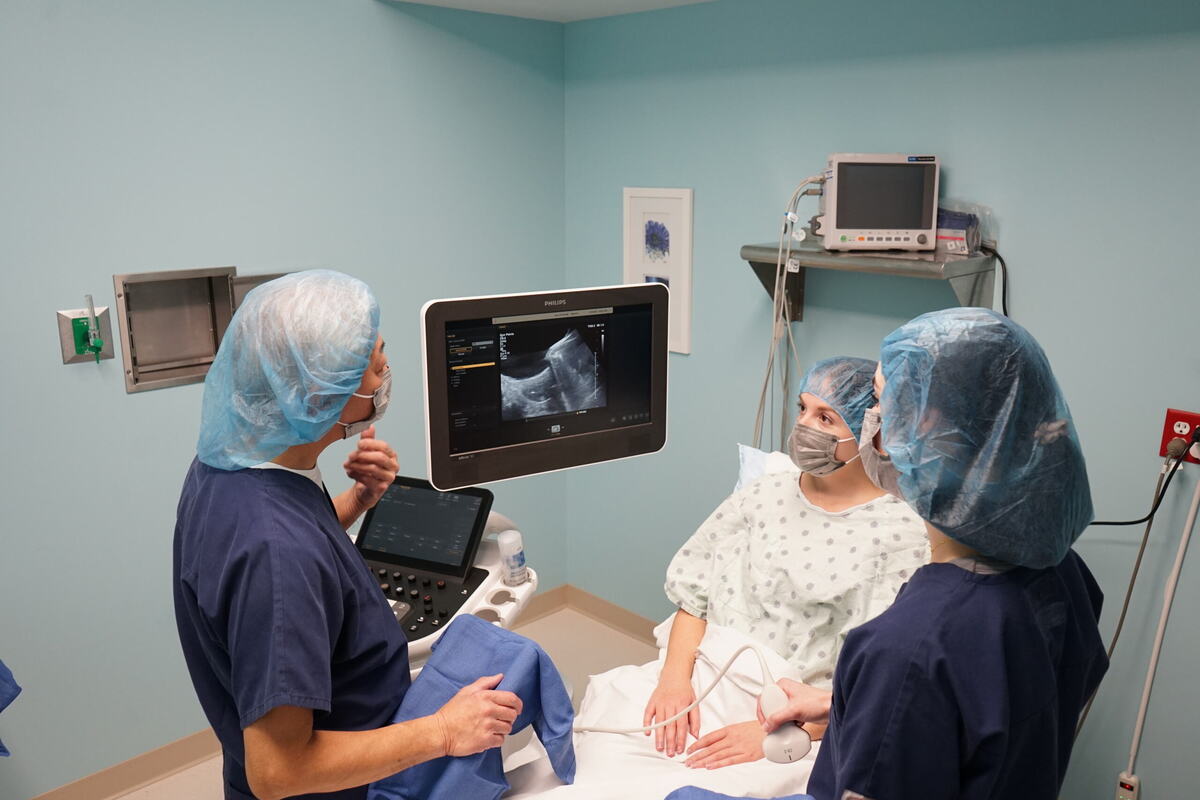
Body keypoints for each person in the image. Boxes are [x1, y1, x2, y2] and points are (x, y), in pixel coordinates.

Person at [173, 271, 521, 800]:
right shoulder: (276, 551)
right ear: (323, 394)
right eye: (375, 362)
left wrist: (357, 501)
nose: (386, 371)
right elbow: (278, 771)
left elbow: (293, 541)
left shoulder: (231, 466)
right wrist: (444, 732)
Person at [760, 308, 1108, 800]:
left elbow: (928, 684)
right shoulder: (1066, 575)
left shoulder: (907, 649)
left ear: (929, 432)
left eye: (880, 402)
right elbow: (995, 714)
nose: (872, 423)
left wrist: (887, 697)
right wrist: (848, 704)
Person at [646, 357, 929, 768]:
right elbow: (695, 594)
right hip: (699, 677)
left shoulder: (901, 533)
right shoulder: (762, 494)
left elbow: (882, 678)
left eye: (826, 418)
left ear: (873, 432)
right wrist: (673, 680)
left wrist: (789, 732)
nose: (804, 427)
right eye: (802, 409)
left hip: (795, 721)